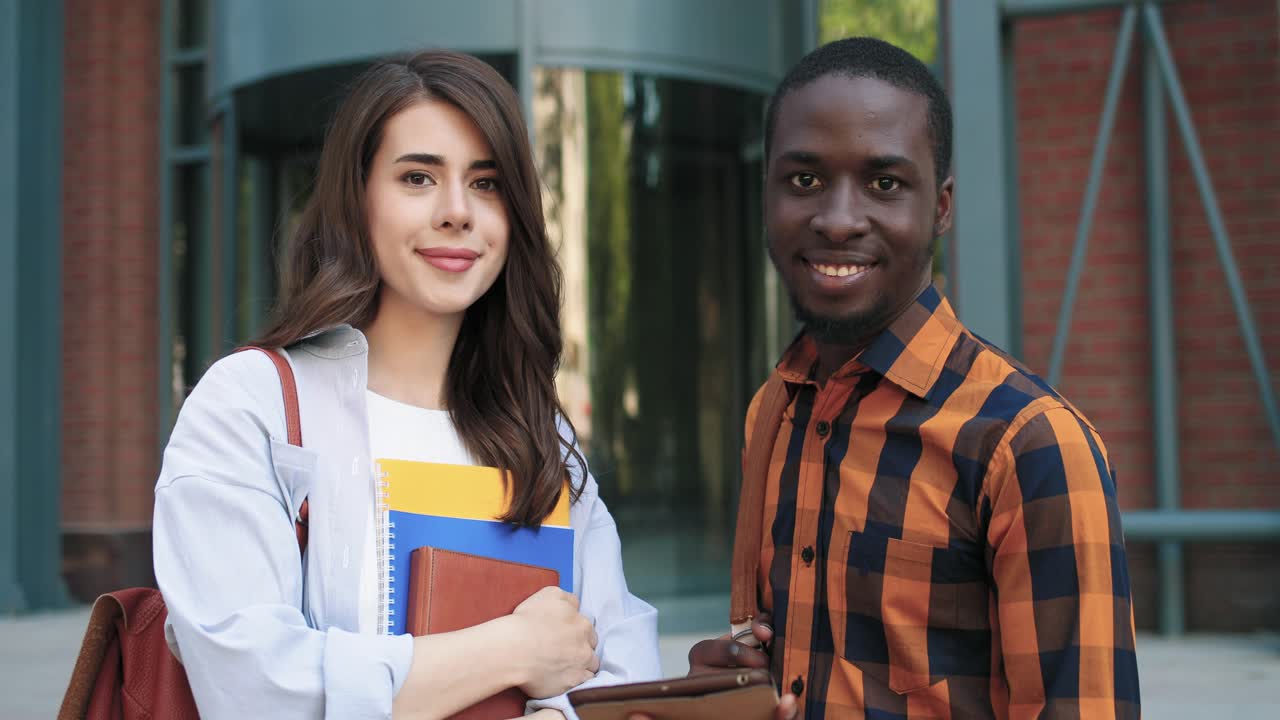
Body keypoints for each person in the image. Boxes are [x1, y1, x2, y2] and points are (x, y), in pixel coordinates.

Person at [153, 50, 661, 719]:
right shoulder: (252, 406)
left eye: (486, 184)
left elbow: (627, 675)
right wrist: (511, 650)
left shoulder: (539, 431)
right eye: (418, 177)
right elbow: (257, 689)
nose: (457, 212)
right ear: (357, 198)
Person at [686, 37, 1140, 719]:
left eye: (885, 184)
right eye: (804, 181)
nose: (837, 219)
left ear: (943, 207)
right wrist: (725, 693)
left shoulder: (1031, 447)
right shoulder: (773, 410)